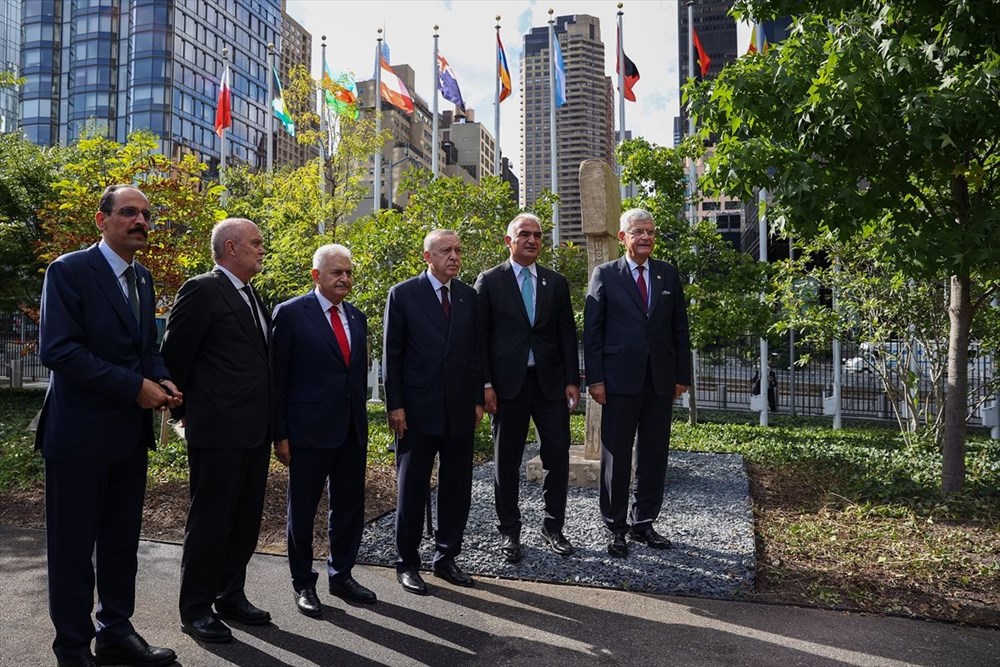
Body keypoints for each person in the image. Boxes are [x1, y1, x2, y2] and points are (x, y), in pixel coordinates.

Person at [36, 184, 180, 667]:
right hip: (78, 437)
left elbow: (146, 350)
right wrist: (132, 386)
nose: (140, 221)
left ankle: (115, 630)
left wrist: (159, 377)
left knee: (120, 545)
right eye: (128, 213)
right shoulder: (69, 270)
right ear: (102, 221)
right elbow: (58, 350)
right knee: (73, 549)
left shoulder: (143, 279)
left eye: (145, 214)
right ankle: (73, 648)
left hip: (127, 436)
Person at [160, 218, 272, 643]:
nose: (263, 250)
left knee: (244, 521)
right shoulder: (203, 289)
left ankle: (230, 596)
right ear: (230, 247)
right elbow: (175, 355)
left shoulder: (253, 296)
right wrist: (190, 410)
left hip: (254, 431)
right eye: (256, 243)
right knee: (210, 521)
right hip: (219, 429)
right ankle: (195, 609)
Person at [271, 244, 375, 618]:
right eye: (336, 273)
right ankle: (303, 583)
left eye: (348, 272)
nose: (345, 279)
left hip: (351, 431)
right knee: (302, 511)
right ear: (316, 276)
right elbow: (278, 379)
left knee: (348, 508)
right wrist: (279, 432)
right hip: (306, 432)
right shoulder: (291, 313)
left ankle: (341, 574)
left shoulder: (358, 318)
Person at [583, 208, 691, 558]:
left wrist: (682, 376)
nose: (645, 237)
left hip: (660, 381)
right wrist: (595, 379)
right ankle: (615, 526)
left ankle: (644, 522)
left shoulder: (667, 275)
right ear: (622, 237)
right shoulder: (605, 274)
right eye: (638, 232)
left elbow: (680, 330)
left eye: (650, 231)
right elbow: (593, 332)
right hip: (617, 382)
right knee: (616, 455)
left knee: (654, 453)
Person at [474, 213, 580, 564]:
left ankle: (554, 527)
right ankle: (510, 531)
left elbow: (566, 333)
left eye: (537, 235)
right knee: (506, 462)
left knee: (558, 456)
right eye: (524, 234)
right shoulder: (489, 281)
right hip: (507, 387)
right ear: (509, 241)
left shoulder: (556, 281)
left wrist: (571, 381)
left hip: (549, 384)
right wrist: (485, 384)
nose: (532, 240)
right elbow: (480, 338)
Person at [382, 229, 484, 595]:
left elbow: (476, 354)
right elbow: (391, 355)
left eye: (458, 250)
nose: (454, 256)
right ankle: (407, 563)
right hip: (416, 410)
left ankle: (446, 557)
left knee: (457, 488)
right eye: (446, 251)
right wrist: (395, 404)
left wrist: (476, 399)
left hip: (458, 409)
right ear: (427, 256)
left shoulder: (469, 297)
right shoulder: (404, 294)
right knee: (412, 487)